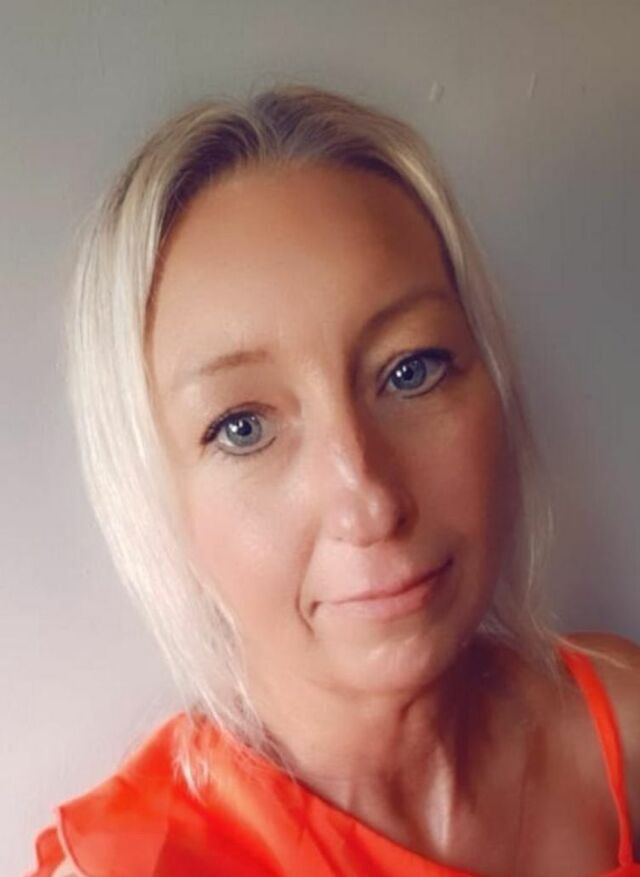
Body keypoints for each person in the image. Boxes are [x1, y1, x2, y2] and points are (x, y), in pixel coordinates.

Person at [27, 84, 640, 877]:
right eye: (243, 426)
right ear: (156, 497)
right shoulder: (150, 862)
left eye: (411, 370)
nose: (369, 501)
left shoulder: (619, 720)